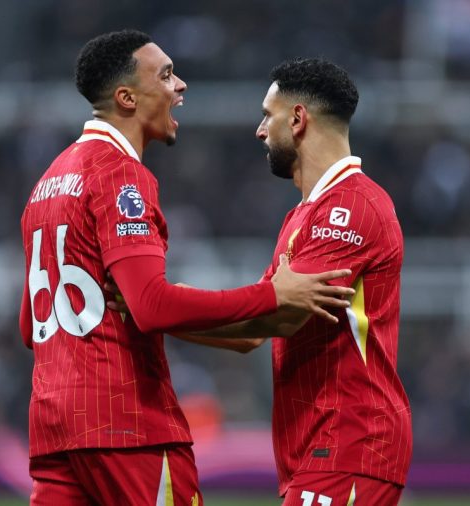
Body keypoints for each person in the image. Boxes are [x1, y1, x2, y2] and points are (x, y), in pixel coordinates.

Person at [18, 31, 355, 505]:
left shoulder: (47, 184)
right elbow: (152, 306)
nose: (181, 87)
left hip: (54, 432)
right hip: (127, 425)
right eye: (167, 75)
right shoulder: (119, 173)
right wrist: (274, 295)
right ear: (127, 98)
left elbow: (29, 327)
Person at [159, 58, 413, 505]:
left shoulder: (351, 207)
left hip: (349, 442)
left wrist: (156, 304)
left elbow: (277, 315)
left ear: (297, 119)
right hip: (314, 449)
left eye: (267, 115)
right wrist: (152, 313)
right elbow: (249, 332)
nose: (260, 131)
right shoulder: (302, 218)